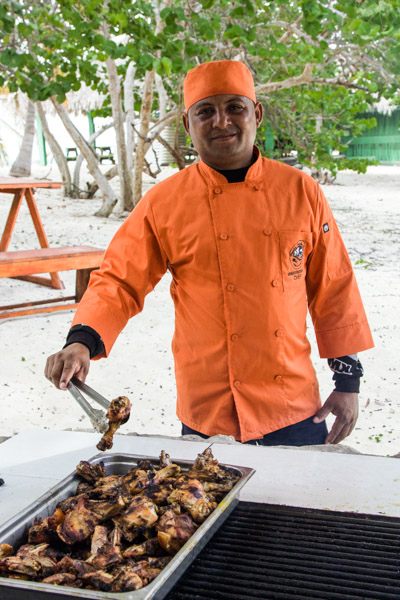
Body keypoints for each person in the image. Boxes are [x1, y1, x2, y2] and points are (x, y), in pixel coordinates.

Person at [45, 60, 374, 447]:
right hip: (208, 409)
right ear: (188, 124)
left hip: (292, 405)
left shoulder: (301, 191)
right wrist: (81, 341)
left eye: (235, 107)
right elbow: (119, 278)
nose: (222, 122)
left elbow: (333, 286)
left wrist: (347, 382)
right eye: (206, 111)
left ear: (257, 114)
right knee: (200, 508)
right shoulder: (164, 202)